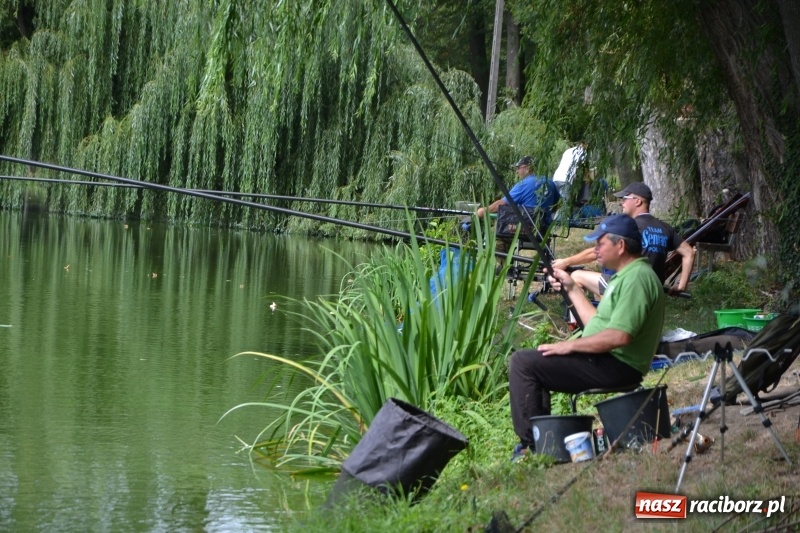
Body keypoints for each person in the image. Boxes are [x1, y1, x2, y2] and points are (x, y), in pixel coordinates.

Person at [508, 214, 666, 461]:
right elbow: (597, 326)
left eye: (600, 244)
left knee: (523, 364)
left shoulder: (637, 278)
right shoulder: (625, 276)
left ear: (620, 245)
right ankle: (542, 445)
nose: (595, 251)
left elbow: (619, 337)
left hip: (616, 365)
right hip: (607, 360)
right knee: (532, 362)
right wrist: (571, 287)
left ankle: (531, 449)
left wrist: (568, 348)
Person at [552, 182, 694, 299]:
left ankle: (581, 325)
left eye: (625, 198)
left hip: (628, 286)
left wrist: (566, 262)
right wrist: (681, 286)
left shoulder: (628, 227)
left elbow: (596, 252)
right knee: (601, 282)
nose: (621, 203)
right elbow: (688, 252)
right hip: (653, 289)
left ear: (638, 201)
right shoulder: (664, 228)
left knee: (577, 276)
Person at [473, 156, 560, 255]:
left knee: (499, 236)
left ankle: (502, 266)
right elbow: (556, 205)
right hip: (544, 231)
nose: (516, 171)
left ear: (528, 168)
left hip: (526, 230)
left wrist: (482, 211)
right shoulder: (550, 182)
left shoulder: (524, 184)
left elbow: (502, 204)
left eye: (518, 168)